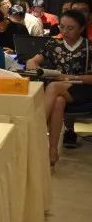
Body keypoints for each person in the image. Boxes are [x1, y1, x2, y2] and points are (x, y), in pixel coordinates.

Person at [25, 10, 92, 165]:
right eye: (62, 27)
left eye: (70, 28)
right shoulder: (53, 44)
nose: (65, 31)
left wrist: (69, 77)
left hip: (82, 88)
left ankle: (34, 131)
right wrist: (34, 65)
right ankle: (52, 150)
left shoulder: (88, 47)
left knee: (54, 86)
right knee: (58, 102)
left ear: (82, 28)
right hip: (59, 90)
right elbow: (32, 61)